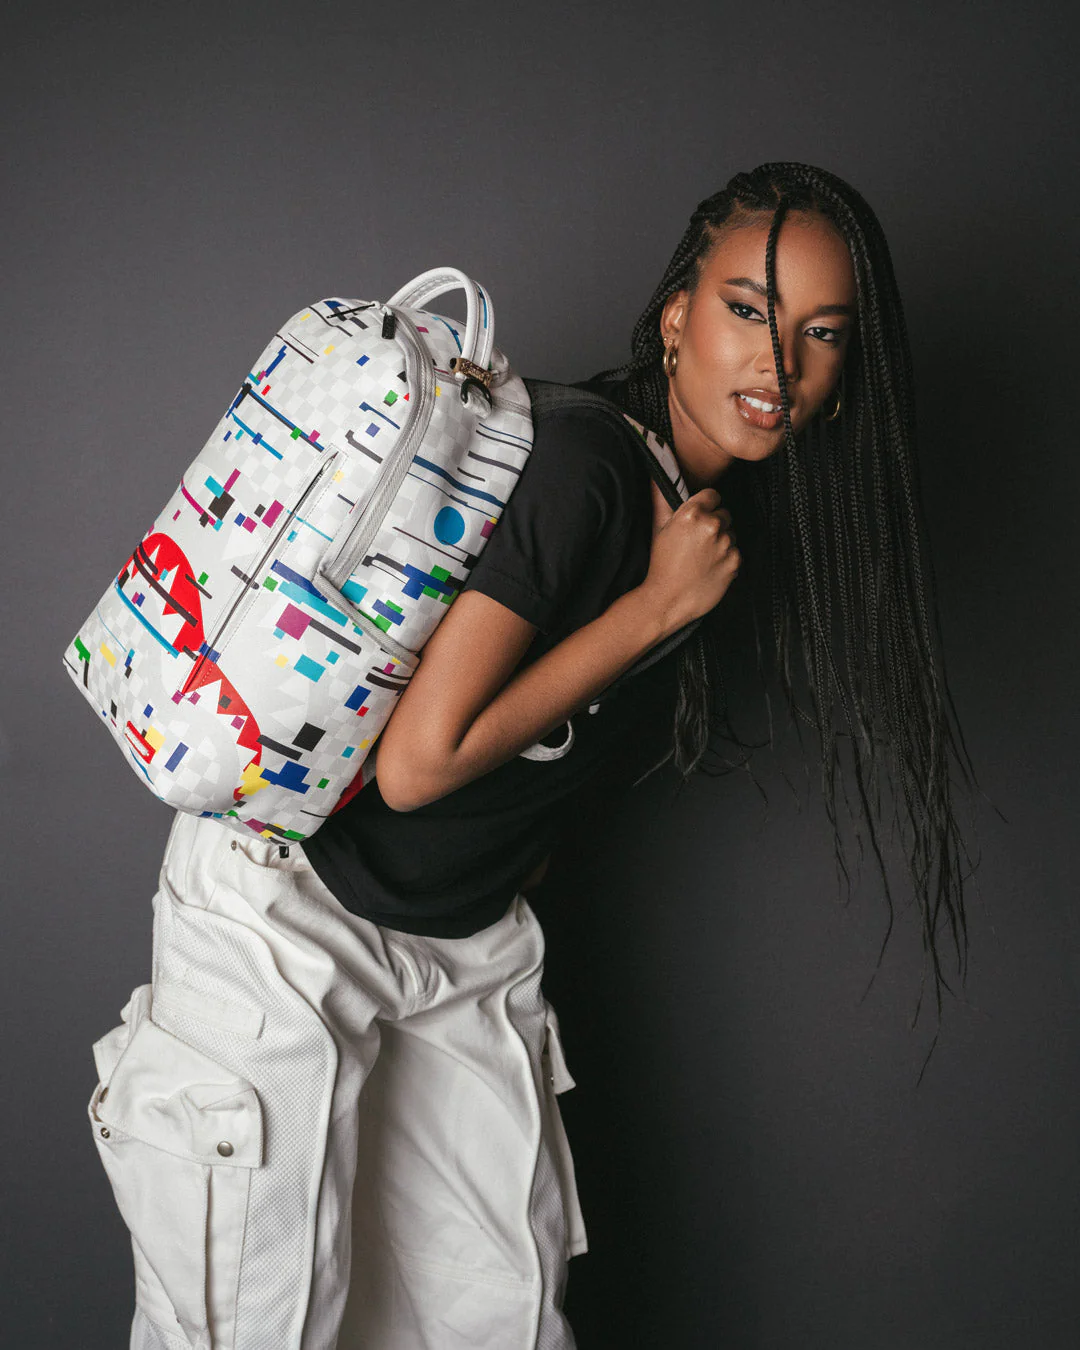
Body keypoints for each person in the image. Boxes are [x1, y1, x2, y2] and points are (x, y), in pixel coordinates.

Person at [89, 162, 975, 1350]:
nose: (781, 363)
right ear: (677, 316)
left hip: (457, 948)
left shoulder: (694, 516)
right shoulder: (589, 466)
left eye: (822, 331)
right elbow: (418, 766)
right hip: (288, 920)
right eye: (747, 310)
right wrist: (655, 612)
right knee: (250, 1328)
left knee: (491, 1321)